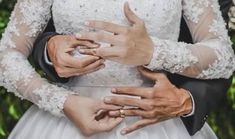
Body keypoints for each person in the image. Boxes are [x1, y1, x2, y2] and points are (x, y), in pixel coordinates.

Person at [0, 0, 233, 139]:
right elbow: (6, 55)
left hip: (156, 122)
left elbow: (223, 55)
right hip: (67, 121)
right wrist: (62, 102)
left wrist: (154, 52)